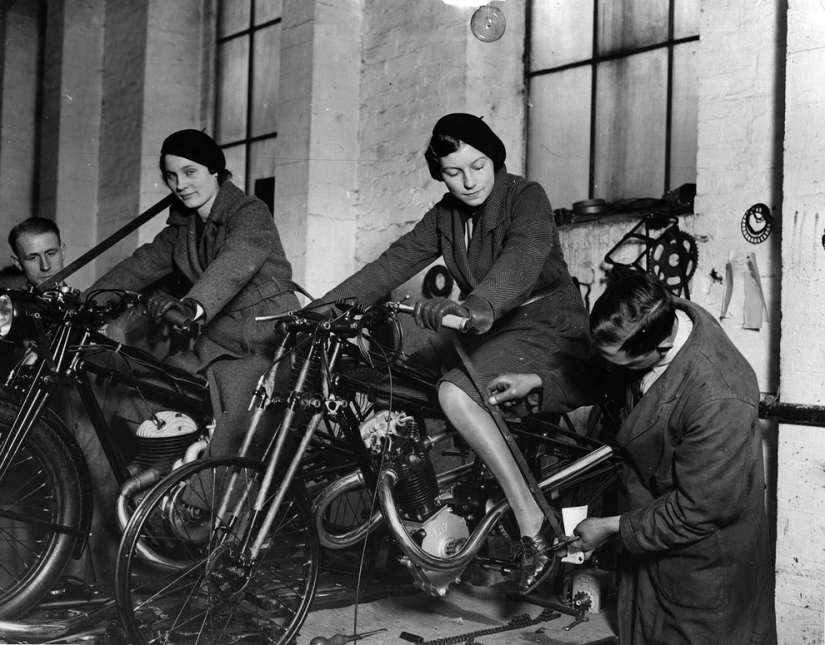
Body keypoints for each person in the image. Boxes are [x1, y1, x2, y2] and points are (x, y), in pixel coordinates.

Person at [315, 113, 597, 594]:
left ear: (496, 160)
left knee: (455, 394)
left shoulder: (525, 196)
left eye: (478, 166)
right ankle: (423, 513)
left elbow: (522, 258)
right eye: (453, 172)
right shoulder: (445, 216)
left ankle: (536, 527)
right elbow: (390, 265)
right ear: (439, 174)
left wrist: (477, 307)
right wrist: (321, 312)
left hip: (546, 326)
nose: (468, 182)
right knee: (390, 378)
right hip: (485, 327)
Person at [489, 271, 777, 644]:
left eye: (620, 364)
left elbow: (700, 510)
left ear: (659, 348)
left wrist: (611, 528)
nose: (610, 370)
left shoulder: (719, 394)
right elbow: (605, 374)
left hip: (704, 562)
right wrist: (537, 383)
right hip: (650, 547)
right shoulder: (652, 321)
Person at [88, 129, 300, 460]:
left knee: (235, 440)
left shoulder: (248, 211)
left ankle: (219, 506)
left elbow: (236, 259)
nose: (180, 185)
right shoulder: (183, 229)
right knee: (137, 398)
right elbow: (138, 267)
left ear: (214, 171)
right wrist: (85, 302)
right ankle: (171, 479)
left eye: (190, 172)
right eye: (171, 176)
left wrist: (192, 305)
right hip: (215, 344)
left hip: (264, 343)